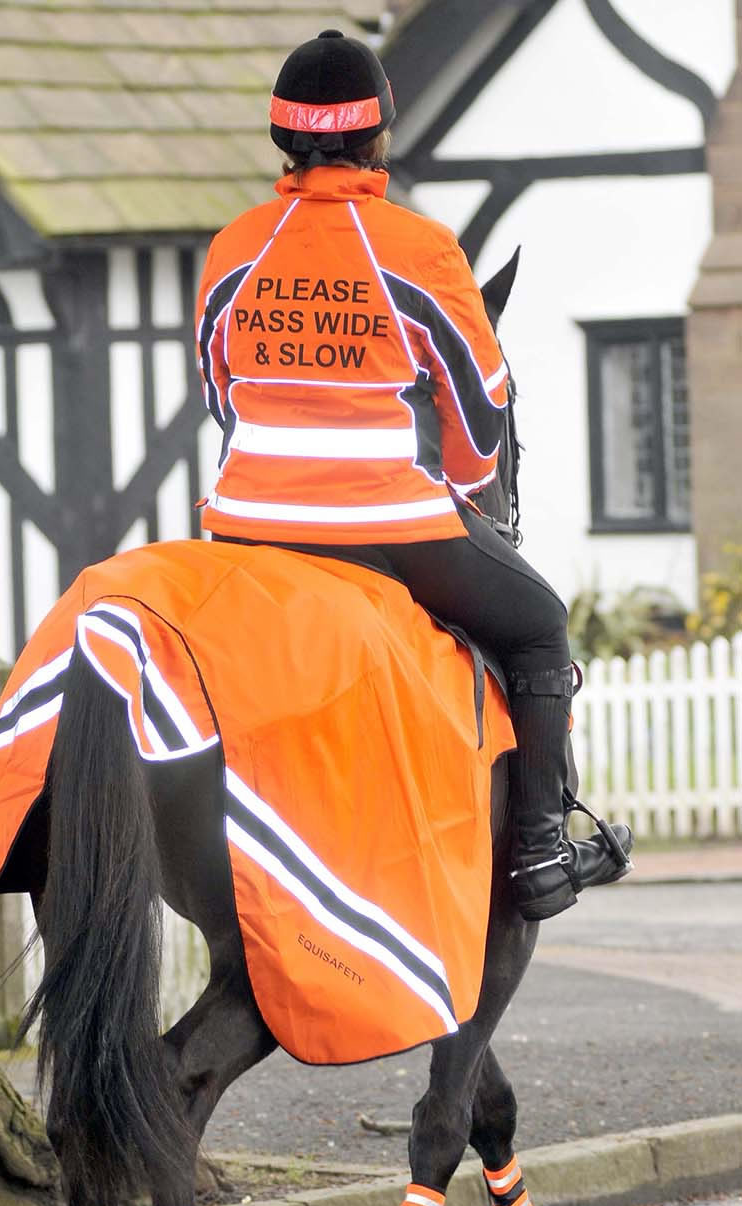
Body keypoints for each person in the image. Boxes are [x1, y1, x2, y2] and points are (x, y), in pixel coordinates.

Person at [194, 29, 632, 921]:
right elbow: (478, 417)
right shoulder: (421, 250)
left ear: (283, 138)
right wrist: (466, 489)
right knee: (541, 624)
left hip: (243, 524)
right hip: (386, 526)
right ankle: (540, 851)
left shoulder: (232, 247)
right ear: (378, 136)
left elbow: (222, 391)